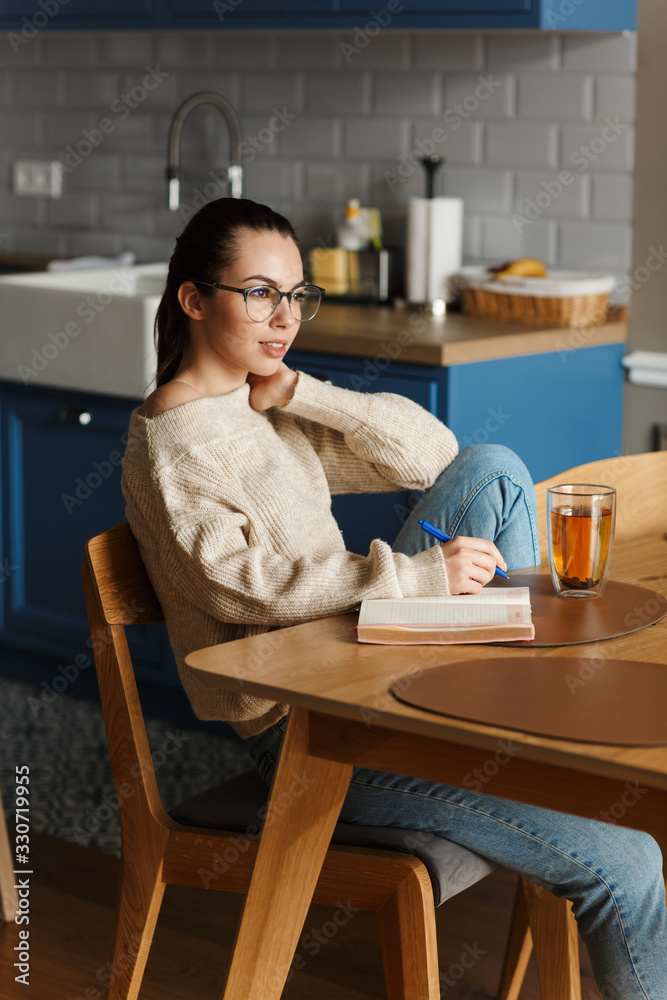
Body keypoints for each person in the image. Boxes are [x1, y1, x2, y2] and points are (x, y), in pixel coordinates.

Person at [121, 198, 666, 999]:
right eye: (260, 293)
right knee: (628, 861)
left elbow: (432, 455)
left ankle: (517, 700)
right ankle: (521, 707)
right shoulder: (172, 443)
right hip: (303, 726)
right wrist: (417, 578)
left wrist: (302, 391)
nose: (284, 318)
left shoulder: (257, 403)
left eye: (296, 296)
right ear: (194, 299)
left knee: (492, 466)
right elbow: (242, 588)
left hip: (358, 657)